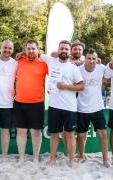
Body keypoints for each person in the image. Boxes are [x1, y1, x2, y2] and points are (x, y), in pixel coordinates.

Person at [40, 40, 84, 168]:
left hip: (70, 107)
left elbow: (81, 86)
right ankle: (52, 159)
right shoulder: (51, 60)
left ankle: (71, 161)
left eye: (66, 49)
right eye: (62, 49)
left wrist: (66, 87)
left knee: (70, 135)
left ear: (69, 52)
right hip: (54, 106)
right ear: (58, 50)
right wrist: (21, 53)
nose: (64, 51)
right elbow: (36, 53)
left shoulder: (73, 68)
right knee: (54, 134)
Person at [13, 40, 48, 166]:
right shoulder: (19, 61)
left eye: (33, 48)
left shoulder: (45, 64)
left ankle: (35, 158)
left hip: (37, 103)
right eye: (28, 49)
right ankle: (21, 158)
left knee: (35, 133)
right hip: (19, 102)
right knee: (21, 132)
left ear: (38, 50)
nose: (31, 51)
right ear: (25, 49)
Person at [76, 48, 110, 167]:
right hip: (81, 108)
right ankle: (81, 156)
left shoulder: (102, 68)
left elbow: (108, 73)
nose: (91, 61)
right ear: (85, 59)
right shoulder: (78, 70)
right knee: (80, 135)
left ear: (97, 59)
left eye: (94, 59)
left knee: (103, 134)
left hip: (97, 107)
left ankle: (105, 160)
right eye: (89, 58)